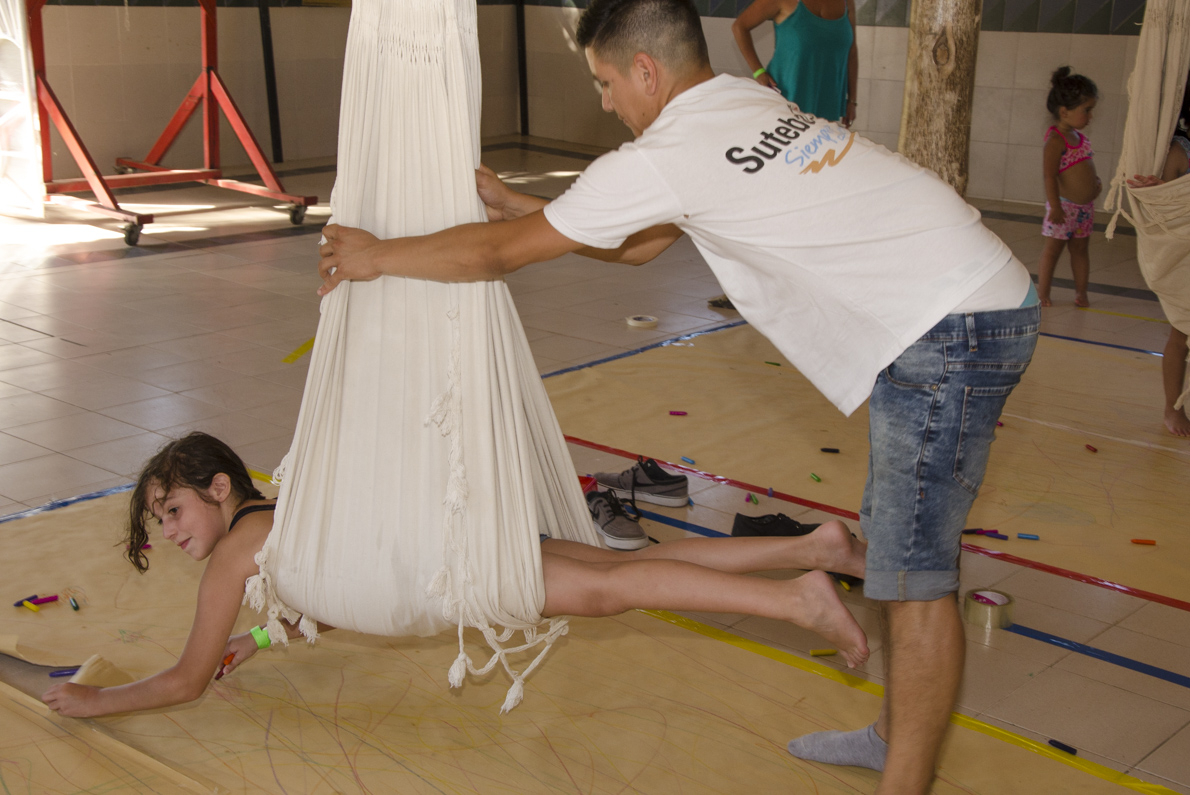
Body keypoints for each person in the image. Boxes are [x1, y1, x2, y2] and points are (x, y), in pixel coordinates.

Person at [314, 0, 1040, 790]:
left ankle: (904, 775)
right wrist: (529, 207)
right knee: (903, 557)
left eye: (605, 83)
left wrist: (376, 256)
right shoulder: (737, 100)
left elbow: (496, 256)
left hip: (949, 327)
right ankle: (893, 738)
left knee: (917, 580)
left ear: (646, 71)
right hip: (969, 297)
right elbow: (644, 245)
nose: (604, 102)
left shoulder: (664, 151)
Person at [41, 432, 869, 718]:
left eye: (172, 510)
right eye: (160, 523)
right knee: (634, 568)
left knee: (617, 587)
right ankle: (813, 547)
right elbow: (343, 596)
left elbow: (185, 680)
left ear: (219, 488)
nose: (170, 532)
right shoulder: (279, 516)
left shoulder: (234, 555)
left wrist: (96, 698)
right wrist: (258, 640)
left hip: (458, 564)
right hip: (459, 536)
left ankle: (796, 599)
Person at [1127, 64, 1190, 437]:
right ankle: (1173, 410)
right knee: (1181, 335)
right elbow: (1166, 201)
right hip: (1189, 260)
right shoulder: (1180, 150)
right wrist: (1160, 190)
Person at [731, 0, 856, 126]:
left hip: (828, 106)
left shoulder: (847, 3)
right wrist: (758, 71)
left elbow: (852, 51)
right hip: (785, 101)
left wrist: (852, 101)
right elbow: (739, 27)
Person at [1037, 66, 1100, 308]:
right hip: (1063, 209)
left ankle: (1081, 293)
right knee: (1053, 251)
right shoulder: (1056, 141)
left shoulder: (1080, 137)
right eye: (1086, 110)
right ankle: (1043, 293)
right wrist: (1055, 206)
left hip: (1084, 209)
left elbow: (1083, 169)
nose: (1090, 116)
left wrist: (1095, 186)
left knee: (1081, 250)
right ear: (1064, 112)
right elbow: (1049, 176)